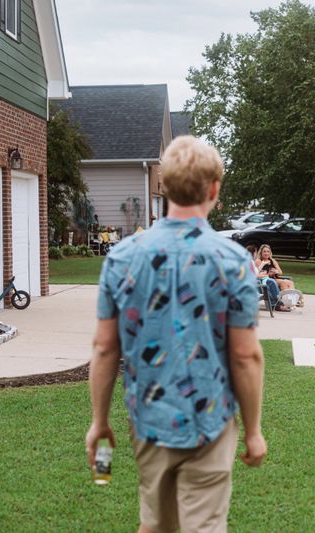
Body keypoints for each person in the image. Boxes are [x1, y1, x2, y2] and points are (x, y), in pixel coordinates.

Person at [85, 135, 267, 533]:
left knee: (155, 524)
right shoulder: (233, 260)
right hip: (211, 423)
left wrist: (99, 422)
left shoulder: (122, 257)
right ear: (214, 189)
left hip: (148, 420)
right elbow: (245, 355)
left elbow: (103, 349)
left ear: (163, 186)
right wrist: (253, 430)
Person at [246, 244, 289, 312]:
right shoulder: (252, 262)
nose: (266, 253)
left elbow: (256, 272)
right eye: (264, 251)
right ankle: (278, 303)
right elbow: (249, 275)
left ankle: (291, 301)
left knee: (288, 282)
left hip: (263, 280)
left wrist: (275, 272)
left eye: (268, 251)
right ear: (254, 253)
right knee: (271, 281)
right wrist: (260, 274)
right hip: (258, 282)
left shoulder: (253, 262)